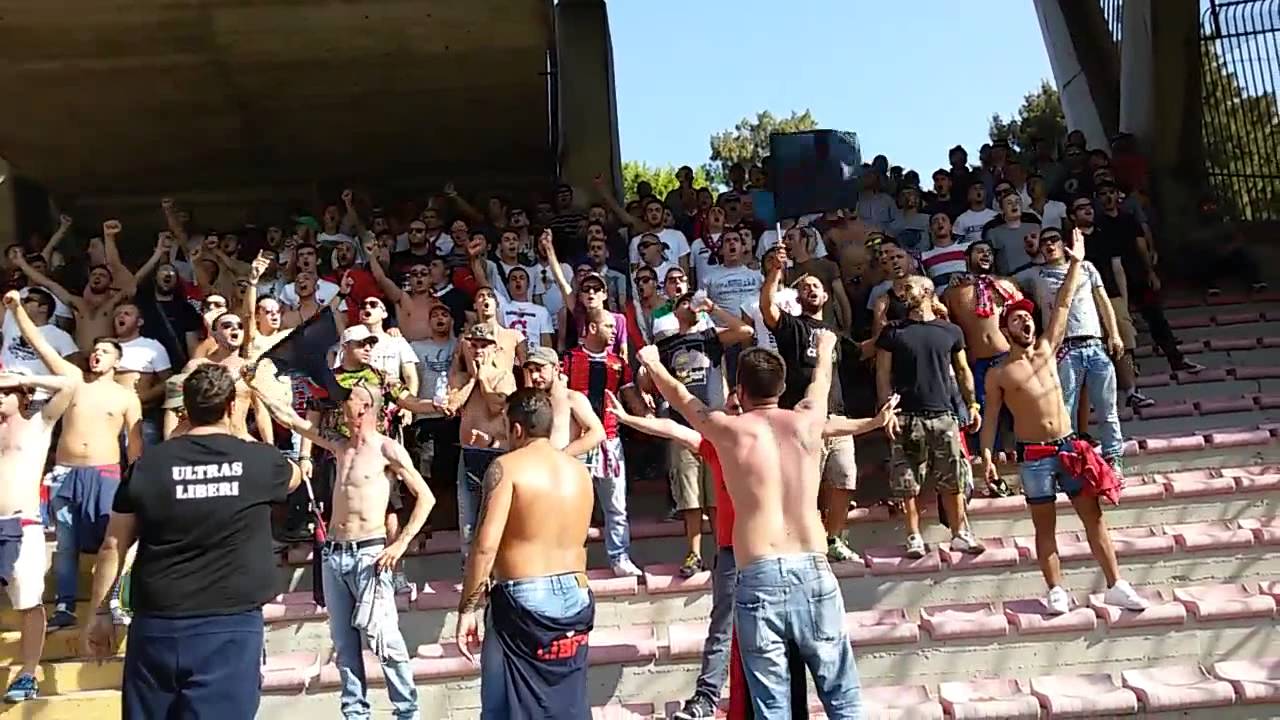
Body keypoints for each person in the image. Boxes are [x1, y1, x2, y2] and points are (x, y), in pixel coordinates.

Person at [638, 333, 862, 717]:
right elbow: (821, 380)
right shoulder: (809, 420)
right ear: (783, 386)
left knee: (771, 706)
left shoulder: (729, 430)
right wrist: (825, 348)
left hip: (760, 572)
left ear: (739, 391)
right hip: (812, 566)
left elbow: (681, 397)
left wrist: (653, 362)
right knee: (843, 699)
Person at [81, 363, 302, 719]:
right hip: (229, 627)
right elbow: (295, 476)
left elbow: (113, 545)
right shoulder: (259, 461)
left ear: (184, 408)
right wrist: (239, 430)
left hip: (157, 627)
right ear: (232, 406)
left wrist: (101, 611)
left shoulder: (147, 466)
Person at [980, 230, 1150, 615]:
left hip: (1070, 445)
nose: (1026, 322)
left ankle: (1116, 585)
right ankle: (1055, 589)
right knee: (1045, 527)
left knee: (1094, 518)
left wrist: (1075, 263)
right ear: (1006, 330)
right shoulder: (999, 374)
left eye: (1028, 317)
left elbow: (1062, 305)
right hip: (1034, 455)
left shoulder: (1046, 348)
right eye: (1017, 319)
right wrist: (987, 455)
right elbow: (990, 418)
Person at [252, 375, 433, 720]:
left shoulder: (386, 449)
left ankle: (407, 713)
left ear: (364, 407)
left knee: (386, 640)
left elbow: (426, 497)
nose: (341, 403)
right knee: (344, 645)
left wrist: (400, 544)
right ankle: (355, 714)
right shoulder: (339, 444)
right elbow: (292, 420)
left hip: (370, 553)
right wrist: (255, 387)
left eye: (348, 398)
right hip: (335, 552)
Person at [2, 291, 143, 628]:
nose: (96, 355)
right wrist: (17, 310)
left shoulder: (126, 396)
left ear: (117, 360)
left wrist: (137, 480)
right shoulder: (74, 381)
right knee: (66, 545)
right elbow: (42, 346)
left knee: (115, 540)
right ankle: (64, 607)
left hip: (106, 474)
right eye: (94, 351)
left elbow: (135, 442)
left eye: (104, 352)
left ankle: (112, 601)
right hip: (66, 473)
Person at [455, 388, 597, 720]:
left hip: (524, 597)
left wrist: (467, 608)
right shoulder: (579, 472)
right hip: (576, 596)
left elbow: (485, 546)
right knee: (567, 706)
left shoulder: (506, 468)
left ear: (517, 429)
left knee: (501, 709)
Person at [876, 276, 986, 558]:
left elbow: (963, 370)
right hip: (906, 414)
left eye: (909, 287)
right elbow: (882, 375)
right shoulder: (893, 332)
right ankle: (913, 536)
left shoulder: (950, 331)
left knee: (953, 478)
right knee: (906, 481)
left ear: (927, 291)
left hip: (943, 414)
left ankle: (960, 533)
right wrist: (887, 411)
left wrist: (972, 405)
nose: (903, 292)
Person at [762, 247, 860, 561]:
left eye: (816, 286)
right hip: (801, 420)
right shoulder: (792, 326)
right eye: (804, 287)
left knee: (844, 479)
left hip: (837, 417)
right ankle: (805, 539)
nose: (811, 289)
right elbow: (767, 308)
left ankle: (833, 538)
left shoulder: (835, 334)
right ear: (797, 296)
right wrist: (775, 272)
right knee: (804, 485)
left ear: (827, 296)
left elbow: (865, 352)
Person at [650, 292, 753, 576]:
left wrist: (713, 307)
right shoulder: (666, 344)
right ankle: (694, 554)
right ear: (675, 312)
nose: (691, 306)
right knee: (689, 495)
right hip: (682, 424)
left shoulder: (710, 336)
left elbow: (745, 331)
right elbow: (648, 378)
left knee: (717, 492)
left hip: (715, 424)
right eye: (684, 302)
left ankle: (724, 551)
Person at [1020, 227, 1128, 468]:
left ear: (1064, 243)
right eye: (1044, 242)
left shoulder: (1087, 267)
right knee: (1065, 410)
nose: (1049, 245)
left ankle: (1114, 457)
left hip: (1094, 343)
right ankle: (1068, 461)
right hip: (1064, 349)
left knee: (1107, 409)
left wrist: (1114, 334)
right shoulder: (1034, 274)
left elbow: (1103, 302)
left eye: (1054, 239)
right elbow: (1005, 281)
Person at [0, 371, 74, 703]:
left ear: (24, 395)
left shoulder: (37, 424)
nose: (0, 395)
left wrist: (22, 375)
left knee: (28, 601)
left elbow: (69, 385)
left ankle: (28, 674)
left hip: (23, 523)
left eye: (7, 391)